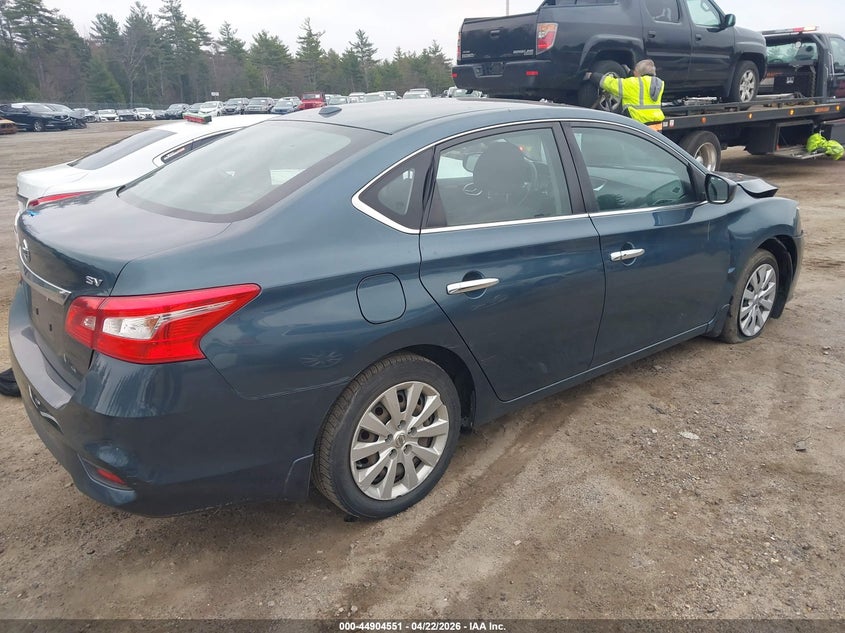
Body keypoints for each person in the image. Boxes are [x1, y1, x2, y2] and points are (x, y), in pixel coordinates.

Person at [585, 59, 666, 125]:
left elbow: (612, 84)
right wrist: (630, 72)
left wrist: (592, 76)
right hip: (656, 125)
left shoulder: (634, 84)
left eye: (635, 71)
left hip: (640, 125)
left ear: (638, 73)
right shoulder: (659, 83)